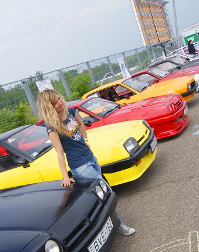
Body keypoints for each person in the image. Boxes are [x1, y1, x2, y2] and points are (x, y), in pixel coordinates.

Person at [36, 89, 135, 236]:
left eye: (59, 99)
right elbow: (59, 153)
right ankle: (119, 225)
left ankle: (102, 227)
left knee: (99, 196)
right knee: (106, 193)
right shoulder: (52, 126)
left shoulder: (70, 111)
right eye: (55, 103)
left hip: (91, 158)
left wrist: (86, 140)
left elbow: (81, 124)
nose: (60, 103)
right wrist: (65, 176)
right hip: (80, 166)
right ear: (49, 106)